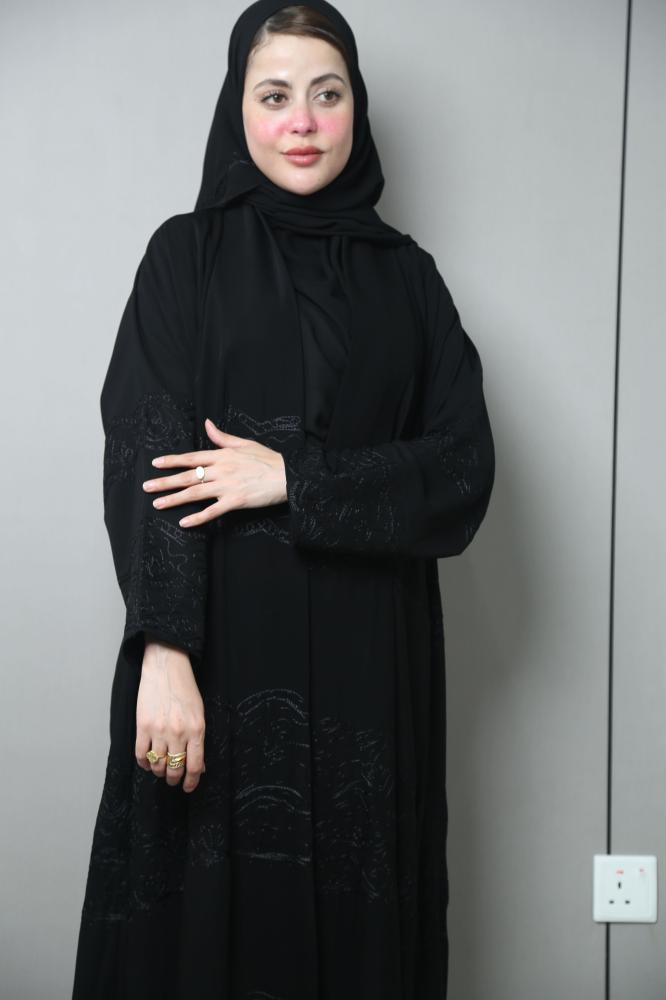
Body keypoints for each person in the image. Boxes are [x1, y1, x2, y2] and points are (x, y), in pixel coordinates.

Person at [71, 1, 495, 997]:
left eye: (326, 94)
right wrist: (165, 655)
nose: (302, 121)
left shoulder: (411, 282)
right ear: (240, 110)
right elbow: (145, 457)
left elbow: (462, 471)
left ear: (355, 110)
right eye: (274, 96)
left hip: (368, 679)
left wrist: (295, 479)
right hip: (217, 663)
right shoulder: (185, 257)